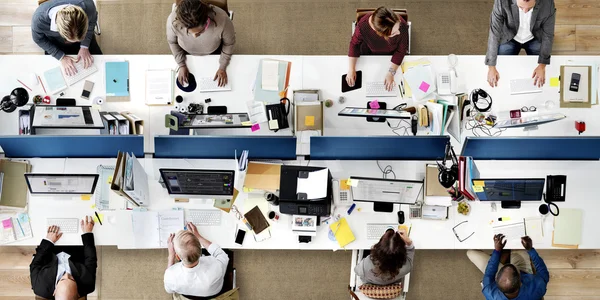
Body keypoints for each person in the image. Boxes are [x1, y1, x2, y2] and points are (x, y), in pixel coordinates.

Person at [485, 0, 556, 88]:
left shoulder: (547, 3)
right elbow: (494, 34)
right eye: (521, 8)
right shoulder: (501, 2)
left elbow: (548, 35)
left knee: (543, 74)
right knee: (502, 70)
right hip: (510, 36)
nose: (525, 11)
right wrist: (491, 67)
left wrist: (542, 66)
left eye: (530, 8)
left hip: (534, 36)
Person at [167, 0, 236, 88]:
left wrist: (222, 67)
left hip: (214, 51)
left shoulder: (223, 19)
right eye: (189, 32)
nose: (195, 36)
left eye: (200, 32)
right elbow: (172, 42)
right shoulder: (173, 20)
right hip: (185, 52)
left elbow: (229, 44)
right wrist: (181, 65)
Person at [29, 216, 97, 300]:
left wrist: (49, 240)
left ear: (54, 292)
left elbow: (35, 264)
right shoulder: (88, 285)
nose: (67, 274)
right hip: (76, 244)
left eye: (62, 279)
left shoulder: (39, 287)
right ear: (78, 294)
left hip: (51, 246)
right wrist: (87, 233)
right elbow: (91, 259)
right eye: (72, 279)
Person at [467, 234, 549, 299]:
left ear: (496, 281)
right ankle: (507, 256)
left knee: (470, 253)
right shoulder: (537, 288)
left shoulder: (489, 291)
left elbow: (489, 273)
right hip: (523, 271)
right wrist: (530, 249)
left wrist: (497, 251)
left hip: (498, 277)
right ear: (521, 282)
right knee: (519, 240)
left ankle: (501, 257)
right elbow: (543, 272)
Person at [346, 6, 409, 92]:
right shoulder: (362, 26)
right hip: (370, 52)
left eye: (397, 28)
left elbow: (401, 50)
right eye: (394, 33)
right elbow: (354, 44)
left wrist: (391, 73)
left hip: (392, 54)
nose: (398, 32)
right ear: (380, 33)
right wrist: (351, 69)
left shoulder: (402, 26)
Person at [32, 0, 102, 76]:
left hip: (85, 38)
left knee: (100, 65)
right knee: (54, 73)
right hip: (56, 42)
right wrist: (61, 56)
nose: (75, 43)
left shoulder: (89, 6)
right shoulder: (39, 20)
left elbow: (92, 22)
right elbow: (38, 39)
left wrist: (84, 46)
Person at [164, 222, 229, 299]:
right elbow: (222, 255)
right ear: (201, 250)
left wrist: (171, 256)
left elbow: (169, 290)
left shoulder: (170, 276)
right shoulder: (216, 267)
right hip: (214, 291)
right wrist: (198, 236)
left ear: (177, 257)